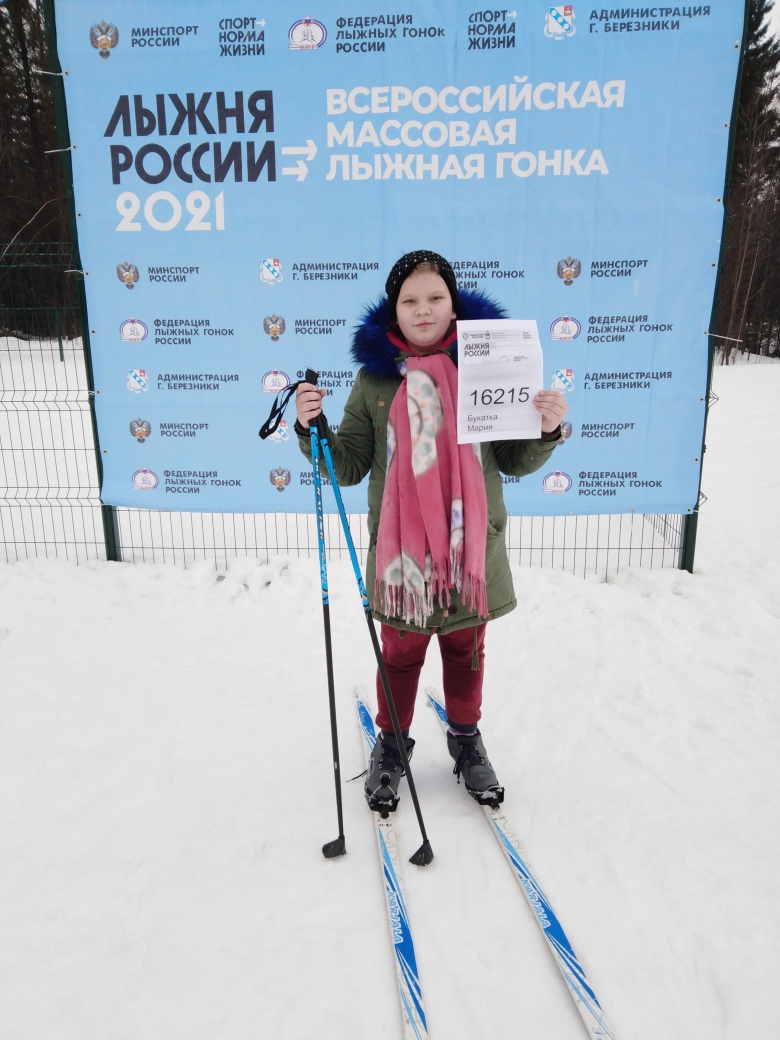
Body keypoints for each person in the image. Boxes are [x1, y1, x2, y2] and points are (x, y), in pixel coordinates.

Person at [295, 250, 567, 813]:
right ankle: (392, 744)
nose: (424, 309)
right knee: (400, 652)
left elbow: (513, 460)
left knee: (466, 649)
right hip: (405, 557)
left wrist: (546, 429)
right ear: (394, 310)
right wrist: (312, 428)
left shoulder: (487, 367)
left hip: (471, 550)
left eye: (435, 298)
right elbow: (349, 466)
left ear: (453, 304)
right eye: (411, 300)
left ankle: (466, 739)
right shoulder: (374, 380)